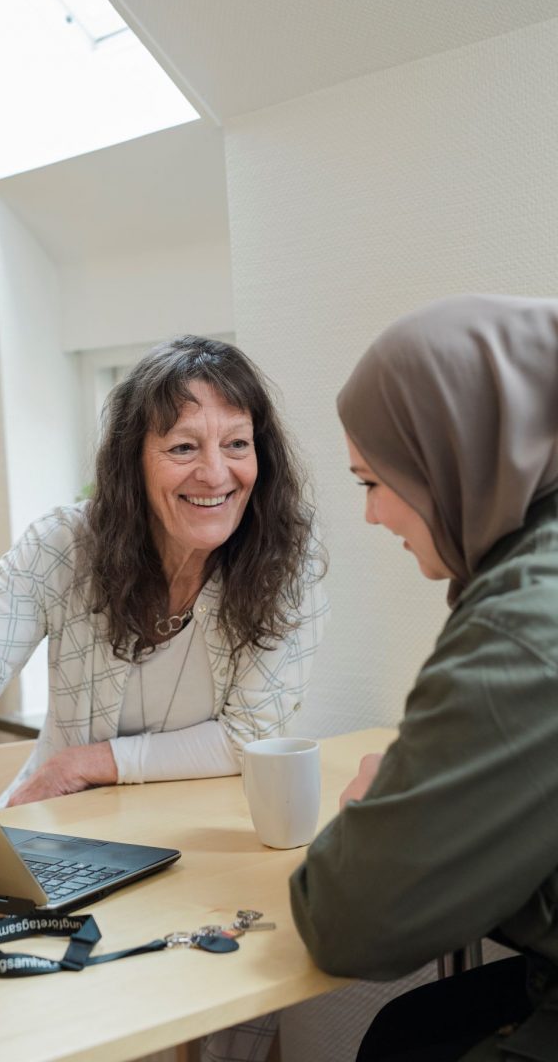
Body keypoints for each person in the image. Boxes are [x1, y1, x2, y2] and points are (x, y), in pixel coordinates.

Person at [0, 334, 328, 1062]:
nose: (215, 473)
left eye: (237, 444)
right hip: (64, 847)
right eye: (183, 447)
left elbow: (250, 732)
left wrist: (90, 761)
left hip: (208, 857)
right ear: (133, 460)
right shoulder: (64, 545)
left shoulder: (291, 559)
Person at [289, 293, 558, 1061]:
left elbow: (347, 922)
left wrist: (386, 800)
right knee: (408, 1032)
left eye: (373, 483)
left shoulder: (525, 622)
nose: (372, 518)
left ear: (455, 454)